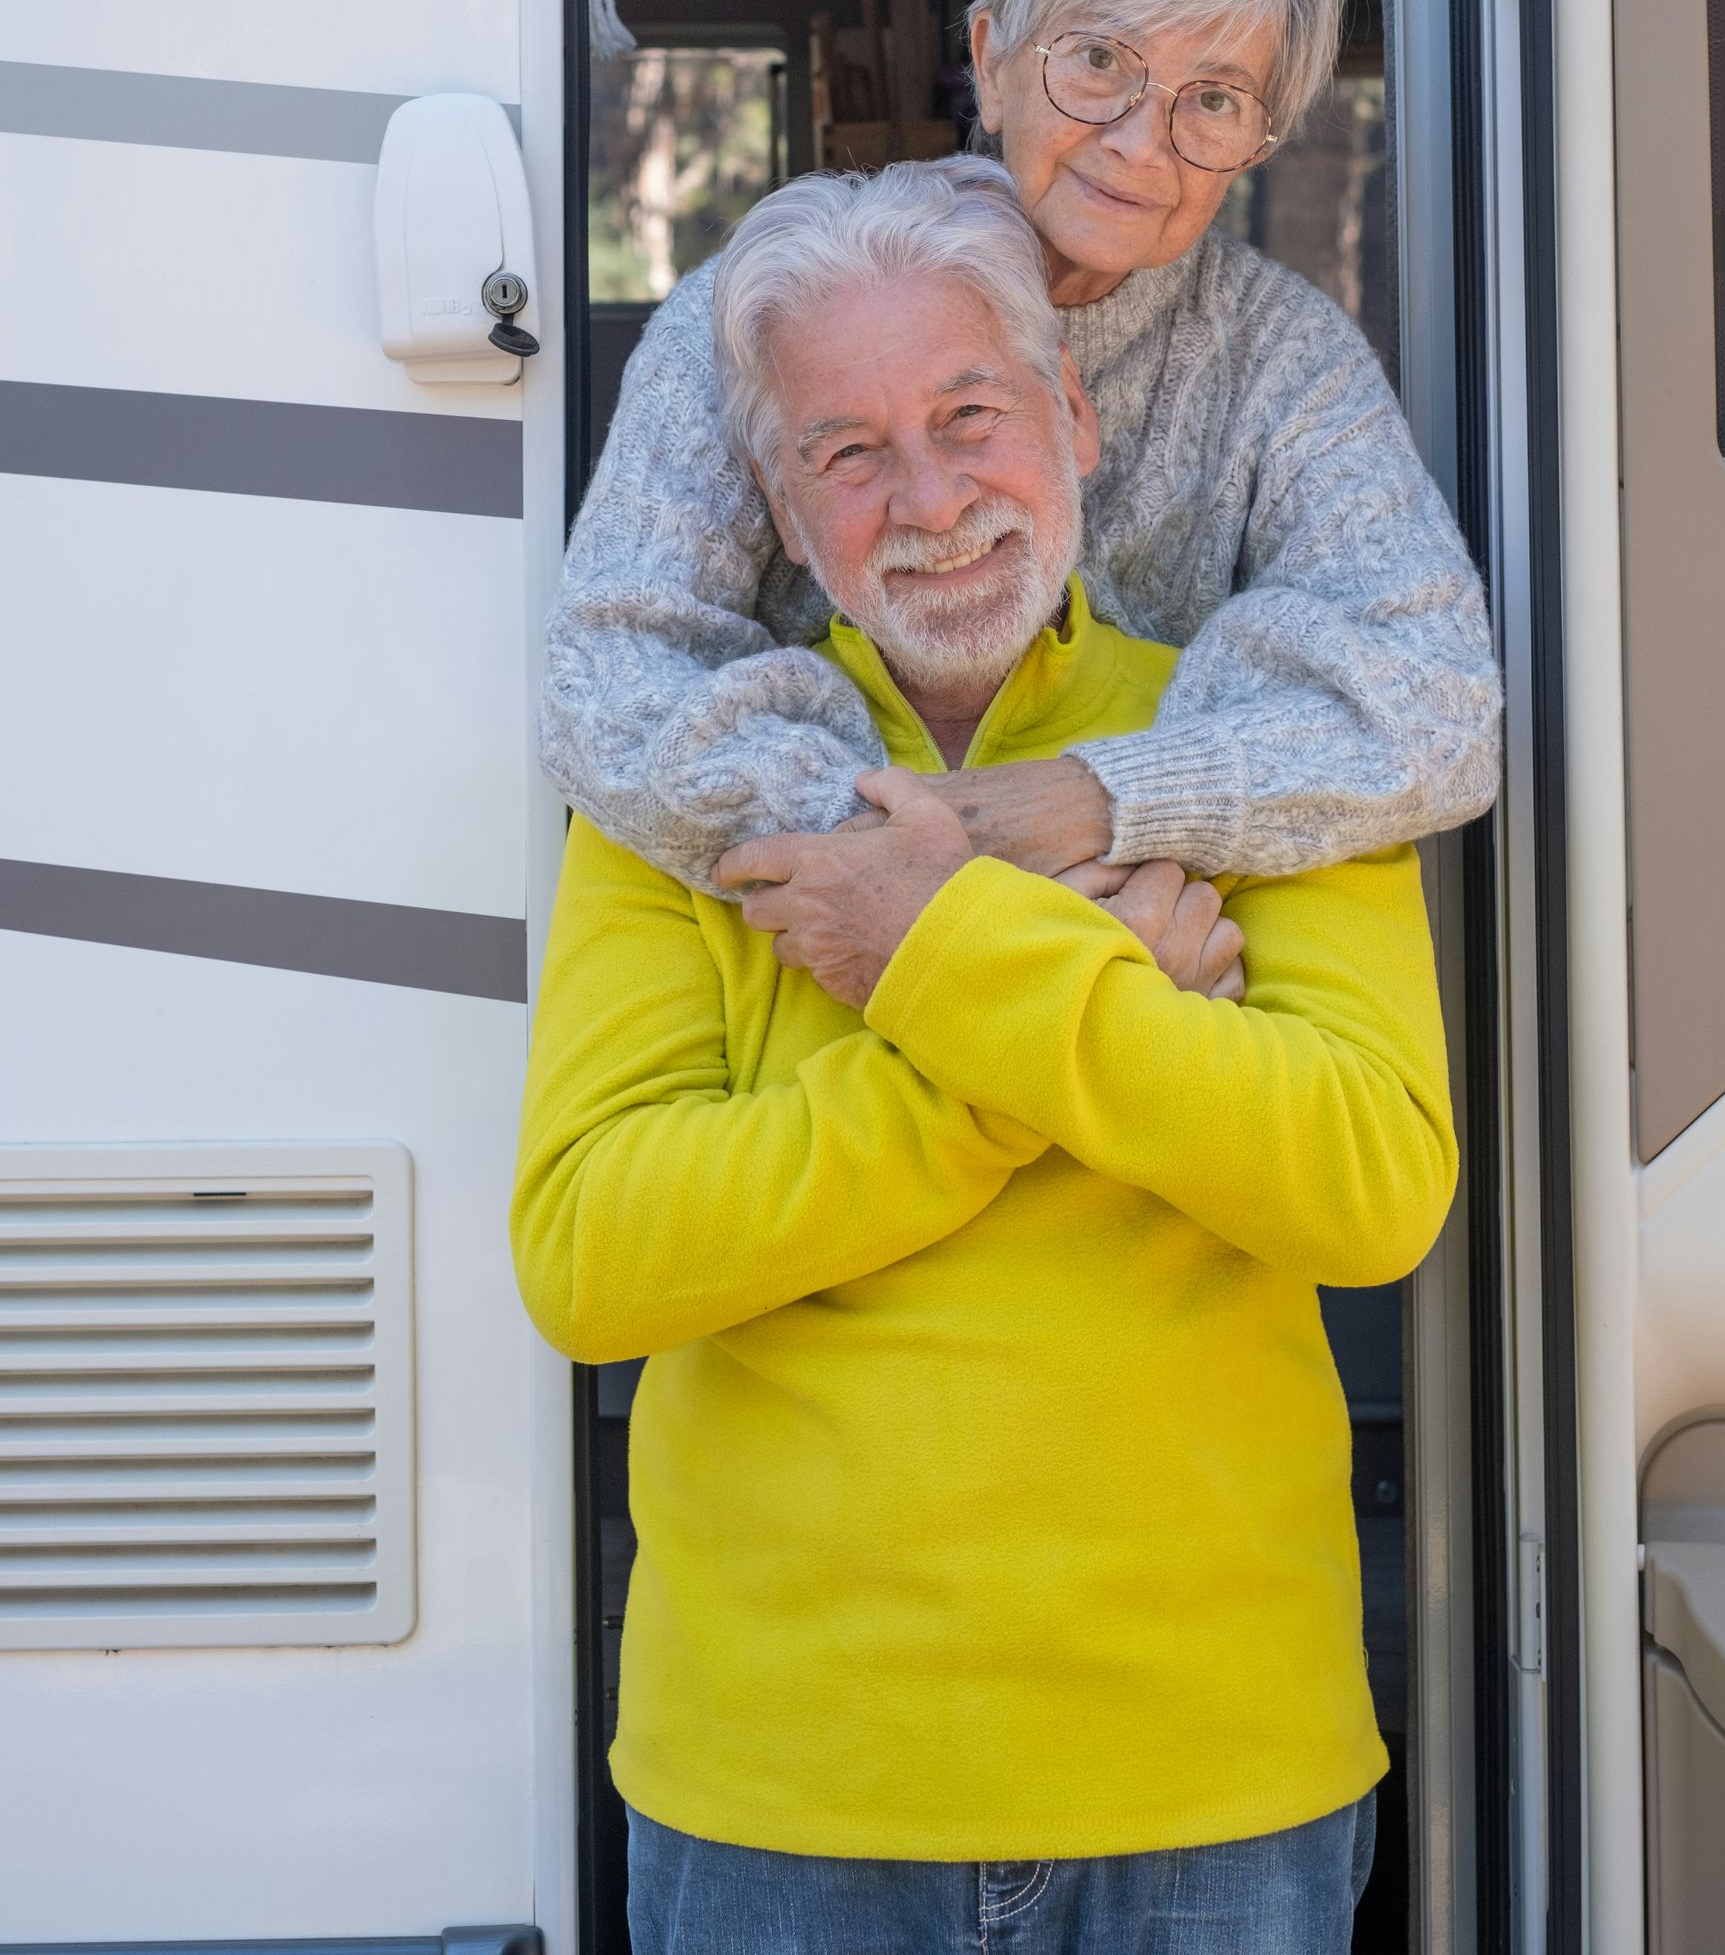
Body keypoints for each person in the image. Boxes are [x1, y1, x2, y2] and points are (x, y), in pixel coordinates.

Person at [512, 160, 1458, 1955]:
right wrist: (1048, 1009)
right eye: (849, 452)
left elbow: (1366, 1184)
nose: (932, 500)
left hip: (1215, 1781)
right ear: (784, 513)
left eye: (972, 416)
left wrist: (930, 954)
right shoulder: (686, 783)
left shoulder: (1254, 739)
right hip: (783, 1789)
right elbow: (593, 1254)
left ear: (1075, 419)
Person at [542, 0, 1500, 950]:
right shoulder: (757, 319)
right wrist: (922, 863)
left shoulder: (1283, 359)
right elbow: (607, 683)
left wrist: (1103, 798)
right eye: (1099, 60)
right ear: (991, 61)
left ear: (1256, 144)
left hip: (1160, 966)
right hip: (810, 961)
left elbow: (1441, 716)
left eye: (1216, 98)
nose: (1143, 142)